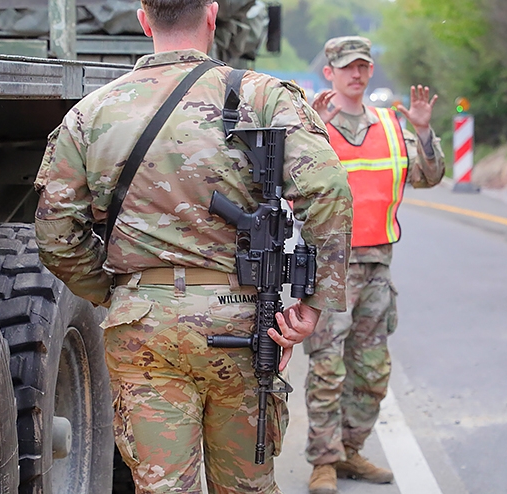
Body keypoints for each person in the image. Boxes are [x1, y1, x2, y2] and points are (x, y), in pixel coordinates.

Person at [33, 1, 353, 492]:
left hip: (142, 326)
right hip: (241, 318)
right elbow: (328, 188)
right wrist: (313, 303)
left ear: (143, 20)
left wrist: (119, 295)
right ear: (212, 14)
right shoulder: (261, 96)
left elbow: (56, 234)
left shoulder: (91, 111)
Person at [304, 36, 445, 494]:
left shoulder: (389, 124)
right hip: (331, 268)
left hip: (379, 267)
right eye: (347, 67)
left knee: (371, 370)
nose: (357, 74)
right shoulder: (314, 124)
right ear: (330, 73)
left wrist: (423, 132)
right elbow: (290, 183)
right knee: (328, 367)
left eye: (363, 66)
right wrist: (313, 131)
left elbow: (427, 176)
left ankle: (350, 450)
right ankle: (323, 462)